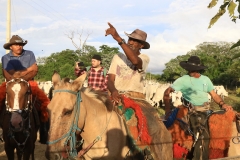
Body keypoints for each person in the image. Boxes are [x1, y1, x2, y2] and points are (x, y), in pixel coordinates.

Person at [163, 55, 233, 159]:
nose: (190, 70)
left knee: (222, 125)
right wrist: (167, 110)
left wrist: (223, 104)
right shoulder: (183, 80)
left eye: (193, 68)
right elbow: (167, 91)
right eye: (189, 68)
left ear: (198, 69)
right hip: (191, 110)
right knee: (202, 135)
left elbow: (214, 94)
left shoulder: (206, 79)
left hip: (206, 109)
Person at [1, 35, 50, 144]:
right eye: (16, 44)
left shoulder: (30, 54)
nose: (19, 46)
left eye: (21, 44)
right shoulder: (5, 58)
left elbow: (35, 70)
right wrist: (28, 70)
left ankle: (43, 132)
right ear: (11, 47)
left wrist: (20, 75)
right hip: (10, 84)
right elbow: (9, 75)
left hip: (29, 83)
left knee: (45, 104)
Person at [105, 22, 150, 102]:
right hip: (117, 96)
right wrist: (113, 91)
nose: (130, 42)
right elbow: (110, 79)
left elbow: (135, 61)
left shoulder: (144, 58)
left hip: (135, 97)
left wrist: (118, 39)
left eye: (135, 41)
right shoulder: (118, 57)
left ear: (141, 45)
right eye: (130, 39)